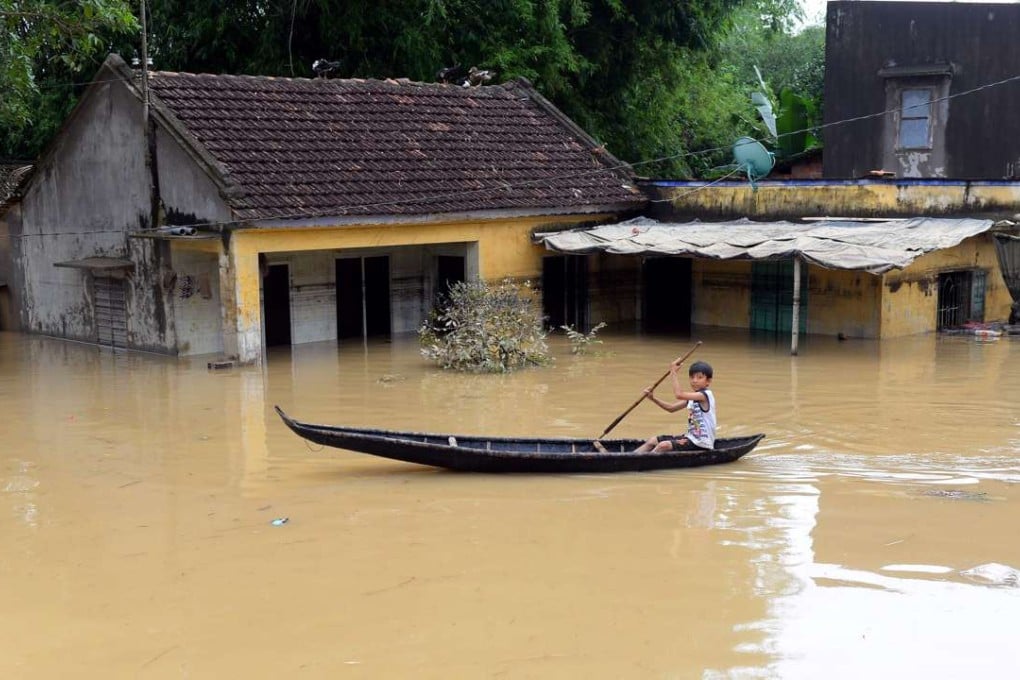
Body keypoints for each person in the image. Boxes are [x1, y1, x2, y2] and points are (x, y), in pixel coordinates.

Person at [630, 359, 716, 452]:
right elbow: (670, 408)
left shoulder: (705, 395)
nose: (694, 381)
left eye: (699, 377)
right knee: (652, 441)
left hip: (701, 443)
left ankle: (640, 462)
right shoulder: (693, 398)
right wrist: (653, 398)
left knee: (663, 446)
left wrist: (673, 373)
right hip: (691, 438)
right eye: (692, 377)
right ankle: (630, 457)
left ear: (708, 381)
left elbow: (679, 395)